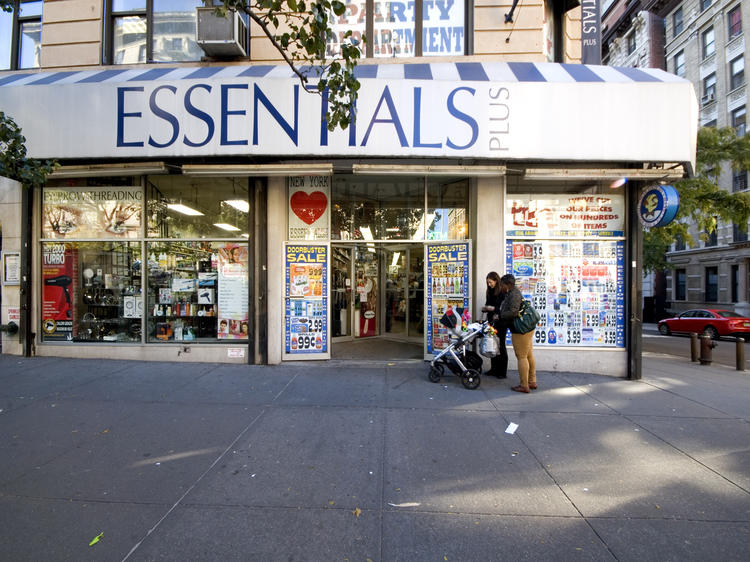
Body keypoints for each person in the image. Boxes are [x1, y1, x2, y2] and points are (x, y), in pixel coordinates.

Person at [498, 273, 537, 393]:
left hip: (521, 330)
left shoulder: (514, 294)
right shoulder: (512, 292)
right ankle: (532, 381)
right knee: (528, 354)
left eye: (502, 285)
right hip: (527, 328)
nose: (501, 287)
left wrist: (500, 315)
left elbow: (514, 312)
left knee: (521, 356)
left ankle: (524, 385)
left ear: (507, 284)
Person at [480, 271, 508, 378]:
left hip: (501, 322)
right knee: (492, 345)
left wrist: (492, 309)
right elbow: (488, 304)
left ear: (496, 281)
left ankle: (502, 372)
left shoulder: (502, 292)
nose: (489, 284)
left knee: (500, 346)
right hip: (491, 321)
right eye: (488, 282)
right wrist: (485, 308)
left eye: (490, 282)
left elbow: (503, 308)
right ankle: (494, 369)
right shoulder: (490, 291)